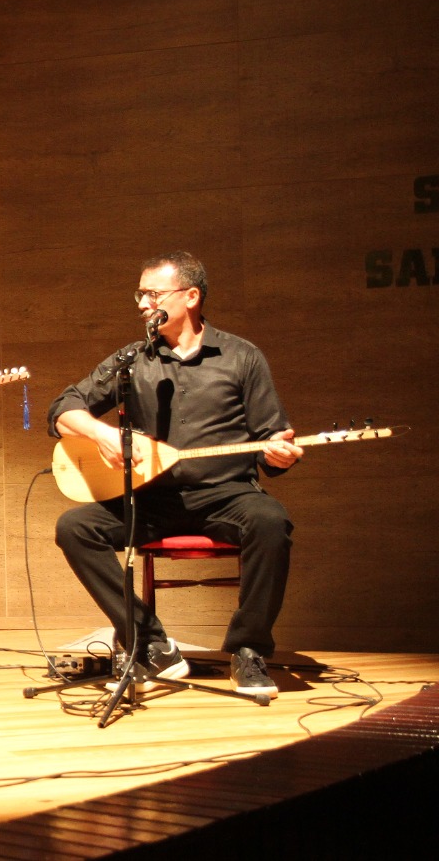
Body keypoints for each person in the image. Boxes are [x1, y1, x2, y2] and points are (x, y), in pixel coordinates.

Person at [49, 251, 303, 698]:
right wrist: (102, 433)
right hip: (151, 498)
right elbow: (62, 409)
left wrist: (279, 455)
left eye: (152, 294)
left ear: (191, 296)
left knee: (270, 522)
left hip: (226, 495)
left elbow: (270, 440)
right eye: (139, 294)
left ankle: (247, 650)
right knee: (75, 527)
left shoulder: (242, 357)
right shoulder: (132, 360)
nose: (142, 303)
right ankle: (152, 642)